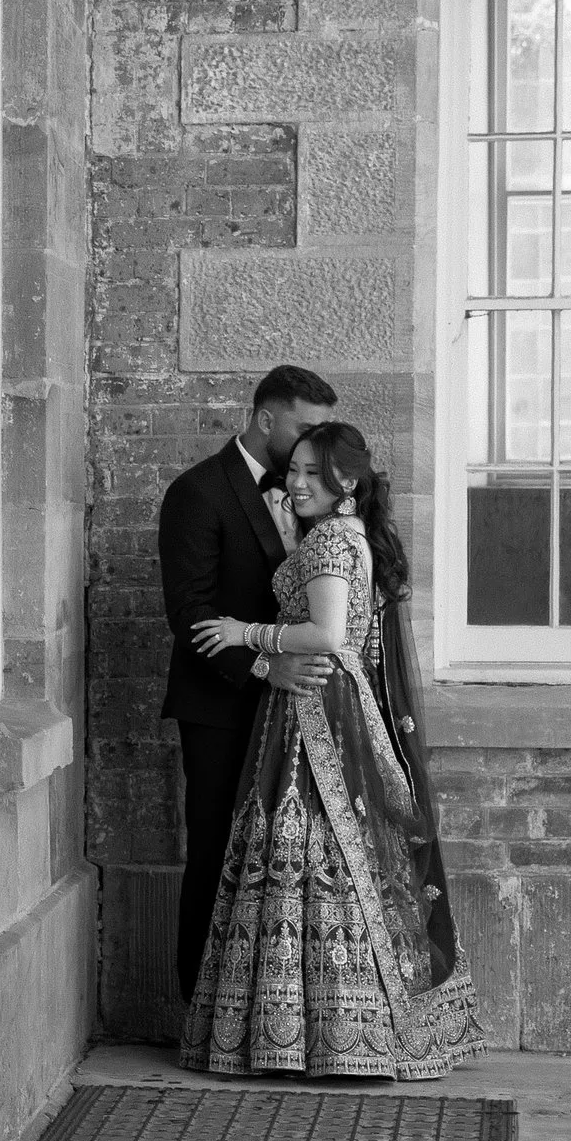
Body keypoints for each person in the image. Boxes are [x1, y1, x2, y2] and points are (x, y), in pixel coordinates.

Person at [179, 421, 484, 1078]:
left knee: (313, 847)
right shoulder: (351, 534)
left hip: (315, 705)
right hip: (335, 701)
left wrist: (246, 632)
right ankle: (342, 1031)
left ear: (347, 482)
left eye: (312, 474)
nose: (296, 482)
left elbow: (324, 632)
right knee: (341, 853)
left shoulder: (327, 540)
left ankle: (323, 1034)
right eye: (294, 471)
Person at [157, 366, 338, 1001]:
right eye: (306, 427)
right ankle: (197, 1011)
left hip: (300, 715)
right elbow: (190, 613)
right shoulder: (198, 493)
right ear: (266, 420)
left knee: (284, 864)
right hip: (220, 707)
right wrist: (266, 665)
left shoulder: (320, 492)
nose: (318, 441)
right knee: (216, 852)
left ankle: (265, 1016)